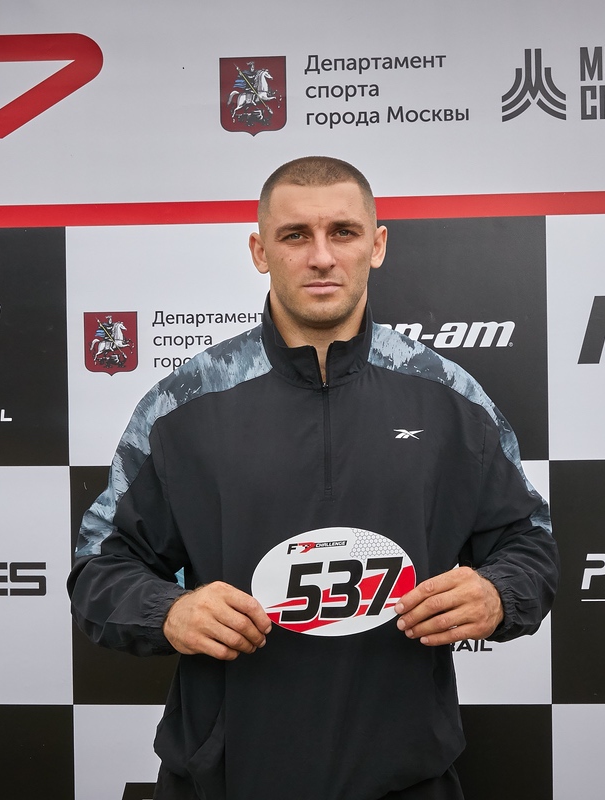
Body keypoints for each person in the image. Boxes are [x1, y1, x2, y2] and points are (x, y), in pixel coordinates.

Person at [68, 156, 558, 800]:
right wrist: (169, 610)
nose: (321, 257)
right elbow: (98, 571)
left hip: (405, 780)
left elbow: (530, 545)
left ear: (377, 245)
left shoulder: (449, 398)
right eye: (295, 235)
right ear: (260, 251)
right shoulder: (183, 405)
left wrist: (499, 594)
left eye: (343, 232)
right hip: (225, 782)